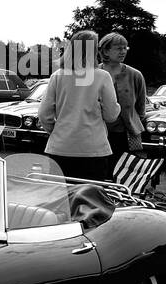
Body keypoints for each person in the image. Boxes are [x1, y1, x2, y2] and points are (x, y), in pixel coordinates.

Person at [38, 30, 119, 181]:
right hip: (93, 149)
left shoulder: (57, 76)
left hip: (60, 147)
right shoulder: (102, 76)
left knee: (60, 200)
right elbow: (111, 115)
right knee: (91, 200)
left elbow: (44, 114)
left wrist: (57, 132)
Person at [98, 32, 147, 174]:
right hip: (98, 134)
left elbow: (141, 109)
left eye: (125, 48)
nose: (123, 51)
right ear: (105, 50)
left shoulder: (135, 75)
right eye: (119, 48)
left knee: (123, 176)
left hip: (126, 136)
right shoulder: (93, 74)